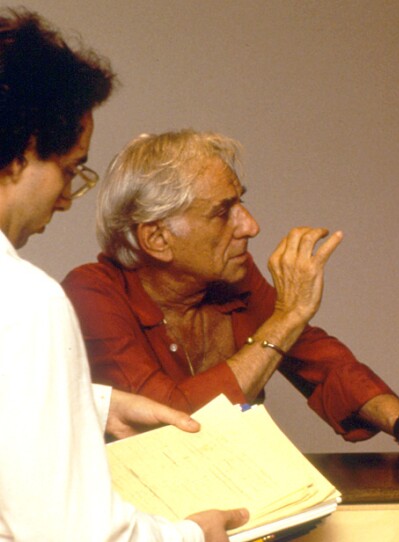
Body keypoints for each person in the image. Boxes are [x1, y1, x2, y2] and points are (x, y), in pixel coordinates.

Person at [62, 129, 399, 468]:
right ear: (157, 238)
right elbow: (172, 420)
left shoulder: (230, 279)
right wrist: (287, 316)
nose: (250, 226)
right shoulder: (92, 293)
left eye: (241, 204)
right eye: (223, 212)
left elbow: (320, 361)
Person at [0, 9, 248, 541]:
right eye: (68, 170)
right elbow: (67, 534)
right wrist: (192, 536)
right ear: (20, 155)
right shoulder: (26, 302)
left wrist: (99, 406)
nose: (67, 199)